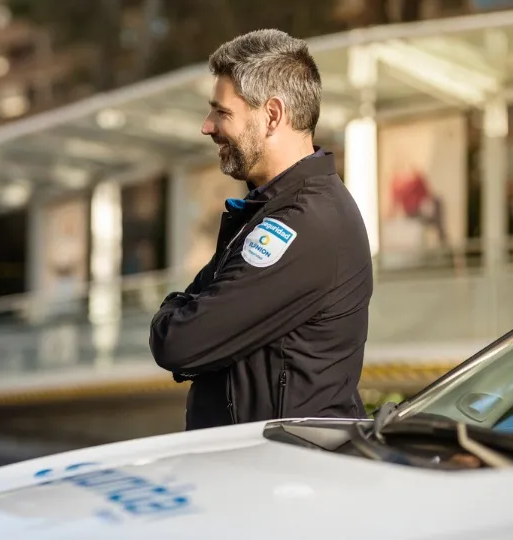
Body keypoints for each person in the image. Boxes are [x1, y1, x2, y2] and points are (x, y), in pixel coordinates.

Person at [149, 29, 373, 430]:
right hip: (264, 470)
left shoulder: (304, 224)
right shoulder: (272, 210)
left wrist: (172, 309)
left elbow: (180, 342)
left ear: (272, 115)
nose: (207, 126)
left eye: (222, 112)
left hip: (287, 475)